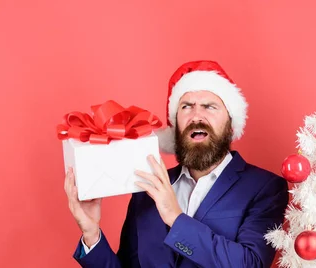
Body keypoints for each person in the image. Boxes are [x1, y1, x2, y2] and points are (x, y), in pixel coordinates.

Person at [64, 60, 290, 267]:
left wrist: (175, 217)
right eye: (186, 106)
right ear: (175, 127)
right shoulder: (146, 189)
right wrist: (91, 233)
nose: (196, 116)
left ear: (231, 126)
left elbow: (250, 263)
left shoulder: (265, 189)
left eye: (210, 106)